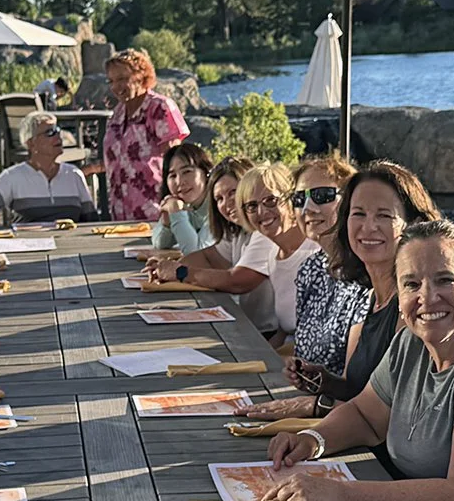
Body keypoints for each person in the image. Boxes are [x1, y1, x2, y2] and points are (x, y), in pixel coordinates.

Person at [267, 218, 454, 501]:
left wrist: (339, 493)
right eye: (411, 284)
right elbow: (366, 417)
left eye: (445, 280)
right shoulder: (410, 343)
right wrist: (313, 439)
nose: (427, 298)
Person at [236, 162, 436, 423]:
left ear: (413, 224)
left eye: (384, 215)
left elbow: (393, 413)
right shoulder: (369, 293)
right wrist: (325, 382)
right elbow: (357, 386)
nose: (368, 226)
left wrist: (318, 406)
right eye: (359, 214)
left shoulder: (413, 305)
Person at [161, 161, 320, 341]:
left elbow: (238, 281)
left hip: (270, 338)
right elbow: (210, 257)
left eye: (271, 201)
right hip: (268, 340)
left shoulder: (305, 251)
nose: (262, 211)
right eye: (252, 206)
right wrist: (168, 268)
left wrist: (180, 272)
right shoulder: (265, 246)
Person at [280, 152, 368, 390]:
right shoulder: (311, 269)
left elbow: (352, 385)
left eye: (321, 196)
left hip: (338, 412)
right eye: (299, 199)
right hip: (305, 398)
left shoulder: (367, 275)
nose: (307, 208)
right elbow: (303, 353)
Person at [91, 48, 189, 222]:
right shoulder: (117, 114)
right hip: (120, 214)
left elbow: (176, 161)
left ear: (141, 76)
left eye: (122, 79)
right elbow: (119, 161)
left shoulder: (159, 107)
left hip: (156, 212)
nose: (115, 87)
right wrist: (79, 171)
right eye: (111, 81)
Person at [0, 112, 95, 224]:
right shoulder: (13, 177)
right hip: (28, 248)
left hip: (71, 247)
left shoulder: (73, 175)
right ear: (31, 143)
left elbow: (91, 220)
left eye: (57, 130)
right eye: (50, 132)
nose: (58, 136)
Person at [150, 140, 217, 252]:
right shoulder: (185, 204)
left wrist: (176, 213)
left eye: (187, 172)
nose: (180, 181)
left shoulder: (219, 204)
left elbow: (195, 253)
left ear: (206, 172)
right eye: (172, 175)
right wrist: (167, 222)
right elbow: (159, 244)